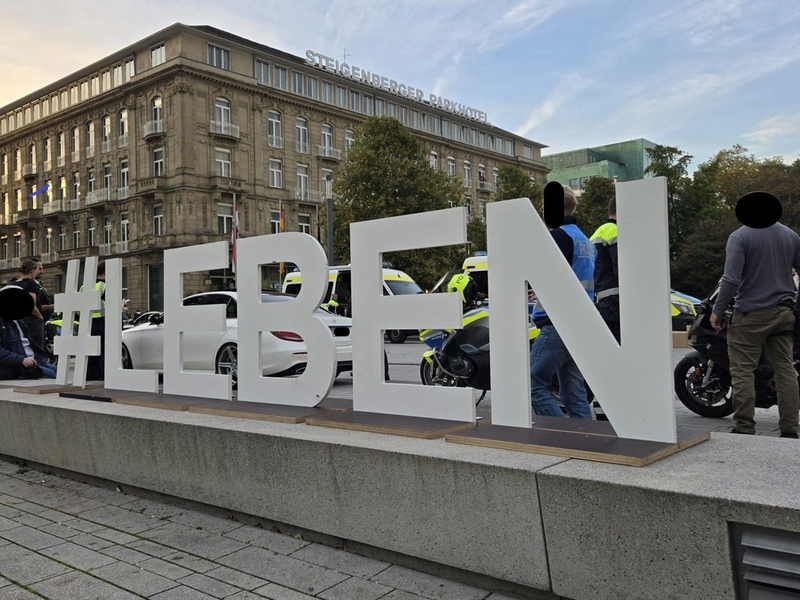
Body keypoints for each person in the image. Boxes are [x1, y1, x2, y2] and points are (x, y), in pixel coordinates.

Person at [711, 196, 800, 438]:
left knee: (742, 371)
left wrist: (717, 311)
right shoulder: (790, 236)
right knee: (785, 369)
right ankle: (791, 429)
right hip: (783, 312)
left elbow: (731, 279)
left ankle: (744, 427)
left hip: (751, 313)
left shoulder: (740, 237)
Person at [529, 186, 596, 419]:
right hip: (581, 322)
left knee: (531, 383)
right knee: (573, 391)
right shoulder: (585, 240)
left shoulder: (558, 237)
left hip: (557, 322)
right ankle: (586, 438)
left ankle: (561, 432)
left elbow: (546, 275)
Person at [0, 286, 57, 380]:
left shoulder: (18, 321)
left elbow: (30, 344)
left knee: (62, 371)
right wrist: (21, 360)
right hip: (18, 366)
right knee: (52, 374)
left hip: (33, 361)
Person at [590, 196, 620, 342]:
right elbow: (620, 267)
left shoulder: (597, 233)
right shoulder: (615, 231)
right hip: (616, 300)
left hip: (602, 299)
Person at [82, 261, 107, 381]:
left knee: (90, 350)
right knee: (103, 350)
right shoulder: (105, 286)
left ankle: (89, 375)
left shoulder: (84, 286)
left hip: (87, 322)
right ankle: (102, 375)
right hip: (102, 321)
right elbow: (110, 304)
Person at [16, 260, 46, 352]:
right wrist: (40, 318)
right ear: (32, 271)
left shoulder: (14, 283)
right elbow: (31, 305)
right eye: (37, 270)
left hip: (17, 320)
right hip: (31, 321)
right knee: (36, 349)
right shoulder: (30, 284)